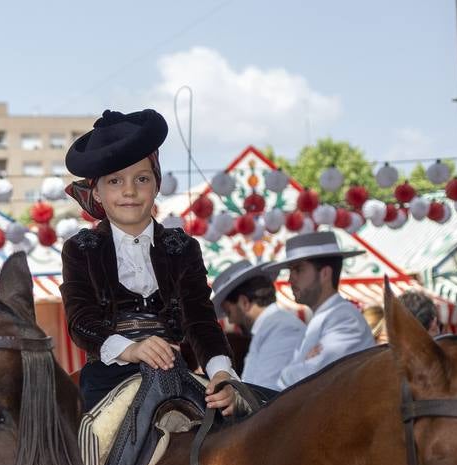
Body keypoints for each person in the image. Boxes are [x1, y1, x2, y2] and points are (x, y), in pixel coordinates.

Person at [60, 109, 236, 414]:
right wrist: (131, 349)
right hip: (108, 384)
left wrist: (221, 372)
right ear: (97, 193)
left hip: (178, 378)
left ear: (156, 185)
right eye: (115, 181)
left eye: (141, 179)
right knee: (88, 448)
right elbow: (81, 322)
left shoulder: (182, 247)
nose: (129, 191)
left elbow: (201, 320)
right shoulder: (81, 249)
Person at [272, 232, 375, 389]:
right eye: (290, 271)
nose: (290, 279)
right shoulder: (327, 317)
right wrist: (302, 365)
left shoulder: (345, 318)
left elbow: (309, 376)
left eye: (298, 270)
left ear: (325, 273)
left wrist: (290, 371)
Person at [211, 259, 305, 390]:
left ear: (244, 302)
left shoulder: (283, 329)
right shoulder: (273, 327)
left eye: (229, 312)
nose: (231, 321)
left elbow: (267, 392)